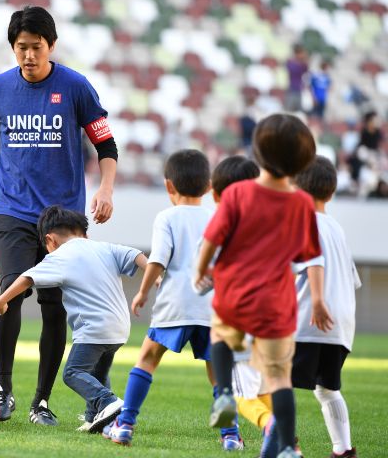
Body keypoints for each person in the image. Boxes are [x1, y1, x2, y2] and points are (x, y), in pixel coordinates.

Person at [0, 5, 118, 425]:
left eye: (36, 47)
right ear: (12, 48)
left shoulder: (76, 87)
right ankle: (3, 389)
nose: (28, 56)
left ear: (51, 46)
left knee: (55, 309)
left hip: (65, 220)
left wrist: (106, 189)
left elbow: (106, 146)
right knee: (11, 292)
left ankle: (42, 402)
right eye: (21, 48)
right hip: (12, 210)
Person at [195, 114, 334, 458]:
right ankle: (287, 447)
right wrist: (317, 299)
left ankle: (225, 393)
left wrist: (203, 268)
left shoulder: (239, 193)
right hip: (277, 306)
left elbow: (213, 238)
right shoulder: (302, 203)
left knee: (220, 338)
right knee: (278, 379)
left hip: (233, 295)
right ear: (303, 161)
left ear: (257, 151)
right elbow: (310, 254)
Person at [103, 150, 242, 450]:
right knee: (218, 373)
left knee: (148, 359)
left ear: (169, 186)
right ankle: (230, 435)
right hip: (211, 308)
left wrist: (142, 292)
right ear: (208, 186)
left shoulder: (166, 217)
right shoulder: (218, 217)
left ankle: (125, 424)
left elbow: (159, 260)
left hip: (175, 305)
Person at [0, 205, 146, 434]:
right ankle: (95, 418)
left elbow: (27, 278)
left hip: (93, 330)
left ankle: (109, 402)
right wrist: (154, 276)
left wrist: (2, 300)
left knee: (73, 373)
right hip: (120, 329)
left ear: (49, 240)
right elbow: (135, 255)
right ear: (84, 233)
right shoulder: (104, 247)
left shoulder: (60, 255)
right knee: (97, 374)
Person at [293, 157, 360, 458]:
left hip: (308, 321)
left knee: (272, 381)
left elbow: (306, 266)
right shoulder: (338, 230)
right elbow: (353, 279)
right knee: (327, 389)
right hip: (340, 327)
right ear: (331, 193)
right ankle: (343, 450)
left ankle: (284, 446)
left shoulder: (301, 223)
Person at [211, 157, 276, 441]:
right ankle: (280, 443)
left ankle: (273, 426)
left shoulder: (223, 226)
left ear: (216, 194)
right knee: (262, 386)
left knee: (238, 393)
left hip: (239, 318)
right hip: (274, 316)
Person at [285, 45, 309, 112]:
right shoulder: (290, 62)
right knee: (289, 110)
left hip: (299, 90)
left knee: (299, 112)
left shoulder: (303, 64)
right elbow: (294, 71)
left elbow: (306, 70)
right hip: (292, 89)